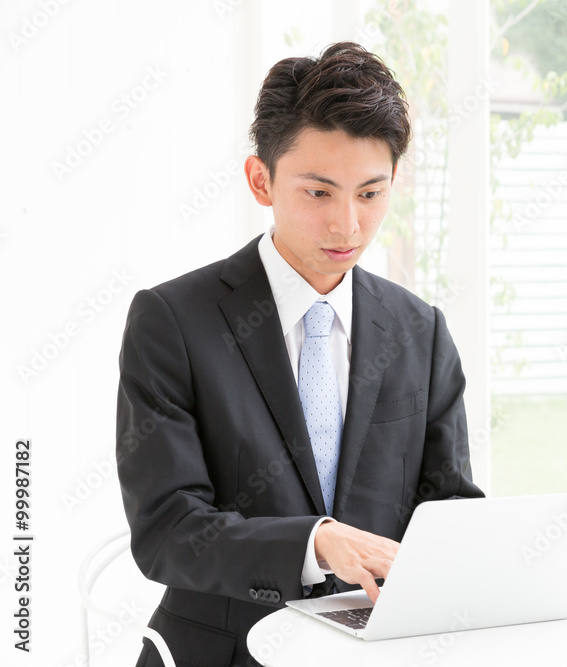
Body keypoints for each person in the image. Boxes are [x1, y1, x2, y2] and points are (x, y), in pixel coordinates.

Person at [116, 42, 484, 667]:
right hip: (221, 653)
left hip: (377, 651)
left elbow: (449, 511)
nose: (347, 225)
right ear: (262, 180)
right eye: (319, 194)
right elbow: (166, 532)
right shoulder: (172, 322)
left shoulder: (420, 330)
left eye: (370, 194)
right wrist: (314, 543)